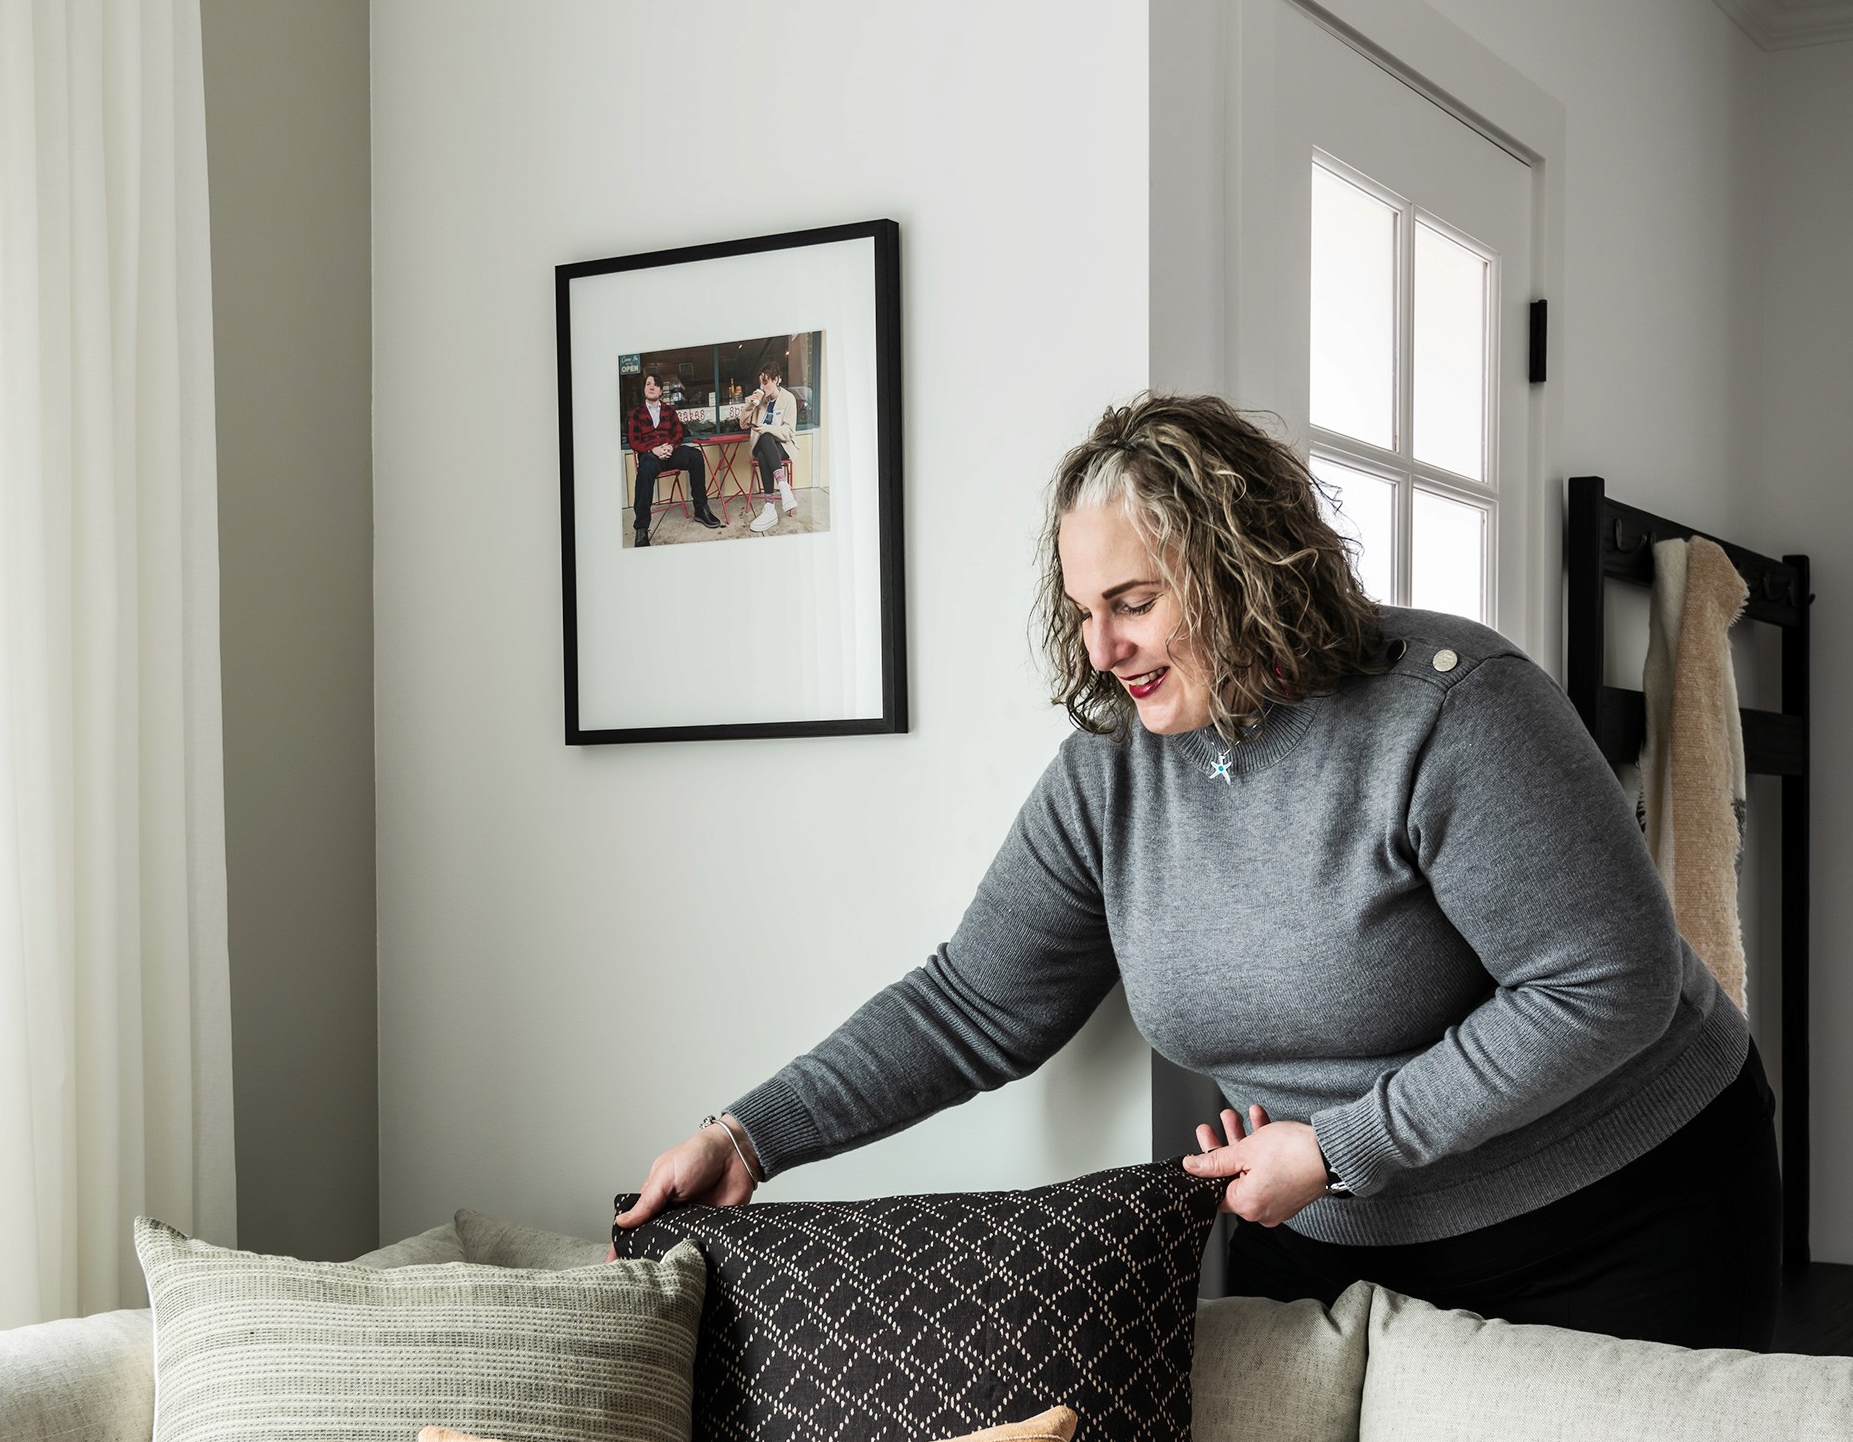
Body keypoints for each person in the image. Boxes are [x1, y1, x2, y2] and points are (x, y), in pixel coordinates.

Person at [622, 391, 1781, 1350]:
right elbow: (975, 1002)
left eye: (1132, 602)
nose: (1100, 648)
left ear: (1247, 568)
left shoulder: (1449, 707)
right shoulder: (1111, 778)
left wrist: (1335, 1146)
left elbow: (1601, 984)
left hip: (1618, 1201)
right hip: (1325, 1221)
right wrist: (751, 1134)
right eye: (1083, 611)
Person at [626, 373, 720, 544]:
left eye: (655, 384)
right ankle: (641, 528)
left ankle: (701, 510)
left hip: (670, 453)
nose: (652, 386)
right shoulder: (636, 413)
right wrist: (652, 450)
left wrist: (671, 446)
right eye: (648, 384)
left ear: (661, 390)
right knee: (645, 469)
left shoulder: (669, 411)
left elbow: (678, 434)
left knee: (696, 456)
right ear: (644, 389)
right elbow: (634, 441)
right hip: (651, 457)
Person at [739, 363, 800, 534]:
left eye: (766, 382)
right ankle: (783, 487)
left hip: (782, 445)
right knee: (764, 440)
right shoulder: (759, 400)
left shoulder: (788, 399)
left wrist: (767, 429)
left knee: (764, 452)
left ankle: (769, 507)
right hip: (762, 442)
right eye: (760, 383)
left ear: (777, 380)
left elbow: (788, 432)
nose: (762, 387)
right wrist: (750, 405)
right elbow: (743, 424)